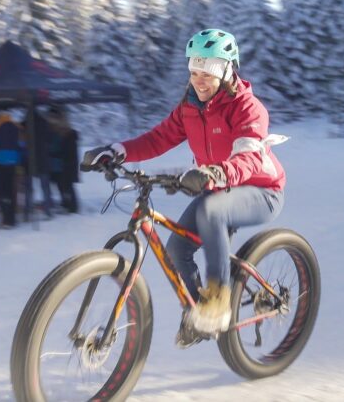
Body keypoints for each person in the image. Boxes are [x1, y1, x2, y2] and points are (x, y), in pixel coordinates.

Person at [82, 29, 286, 347]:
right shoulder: (188, 109)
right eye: (194, 71)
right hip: (218, 188)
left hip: (261, 191)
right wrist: (117, 150)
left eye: (208, 73)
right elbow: (157, 139)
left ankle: (218, 301)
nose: (199, 80)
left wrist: (216, 173)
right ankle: (199, 315)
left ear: (227, 70)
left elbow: (248, 157)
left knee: (210, 209)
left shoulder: (247, 108)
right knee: (177, 249)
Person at [0, 112, 22, 228]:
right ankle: (11, 218)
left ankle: (4, 218)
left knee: (1, 190)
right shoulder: (15, 126)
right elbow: (21, 143)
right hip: (13, 160)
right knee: (10, 189)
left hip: (0, 160)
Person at [47, 105, 79, 213]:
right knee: (62, 184)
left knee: (66, 185)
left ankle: (71, 206)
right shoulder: (59, 130)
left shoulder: (64, 132)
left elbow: (61, 148)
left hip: (64, 163)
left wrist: (54, 152)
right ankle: (67, 203)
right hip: (60, 162)